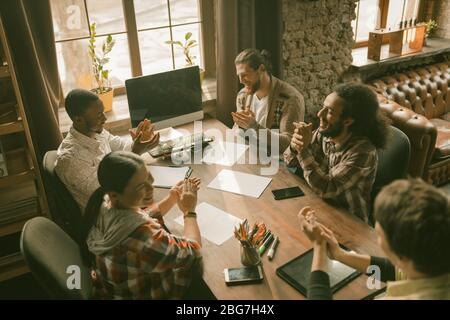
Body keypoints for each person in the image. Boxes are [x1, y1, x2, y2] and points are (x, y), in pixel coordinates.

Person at [81, 151, 206, 299]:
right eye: (141, 186)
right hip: (149, 294)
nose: (151, 187)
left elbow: (139, 216)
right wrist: (189, 211)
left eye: (148, 176)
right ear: (115, 195)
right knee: (201, 270)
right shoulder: (143, 237)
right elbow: (193, 251)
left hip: (115, 291)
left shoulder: (103, 203)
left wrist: (171, 199)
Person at [298, 178, 450, 300]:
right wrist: (339, 254)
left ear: (401, 256)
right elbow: (396, 270)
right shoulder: (431, 261)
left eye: (379, 235)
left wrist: (319, 247)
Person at [284, 83, 388, 222]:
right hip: (318, 205)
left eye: (330, 111)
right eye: (323, 107)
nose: (320, 114)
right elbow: (290, 161)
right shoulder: (325, 133)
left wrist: (303, 150)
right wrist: (295, 144)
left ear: (348, 121)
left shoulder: (364, 152)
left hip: (349, 222)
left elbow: (327, 188)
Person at [54, 89, 160, 211]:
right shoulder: (70, 160)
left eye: (103, 112)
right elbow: (109, 194)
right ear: (79, 120)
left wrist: (140, 143)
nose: (104, 119)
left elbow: (122, 148)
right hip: (108, 217)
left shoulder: (96, 130)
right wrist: (136, 152)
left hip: (125, 203)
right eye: (99, 115)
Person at [232, 48, 305, 153]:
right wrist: (241, 125)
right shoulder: (242, 96)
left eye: (245, 75)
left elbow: (288, 144)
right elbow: (237, 131)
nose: (240, 80)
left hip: (278, 160)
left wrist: (254, 127)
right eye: (239, 75)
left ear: (261, 69)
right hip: (251, 154)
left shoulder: (290, 99)